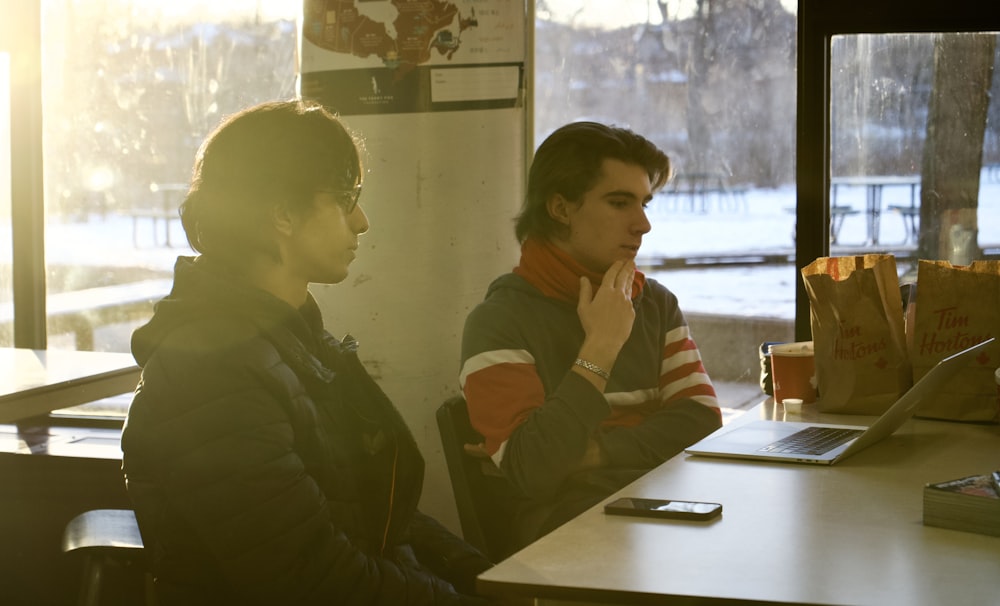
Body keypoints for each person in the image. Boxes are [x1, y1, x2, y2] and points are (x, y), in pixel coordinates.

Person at [121, 100, 494, 605]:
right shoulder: (212, 371)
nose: (361, 221)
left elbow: (381, 516)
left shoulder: (292, 339)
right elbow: (312, 578)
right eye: (345, 199)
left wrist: (493, 581)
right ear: (282, 213)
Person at [459, 121, 722, 549]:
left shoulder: (655, 302)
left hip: (662, 509)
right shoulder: (499, 321)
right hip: (568, 536)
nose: (642, 225)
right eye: (619, 203)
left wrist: (596, 452)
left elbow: (701, 421)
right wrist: (601, 347)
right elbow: (536, 469)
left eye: (645, 204)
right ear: (560, 209)